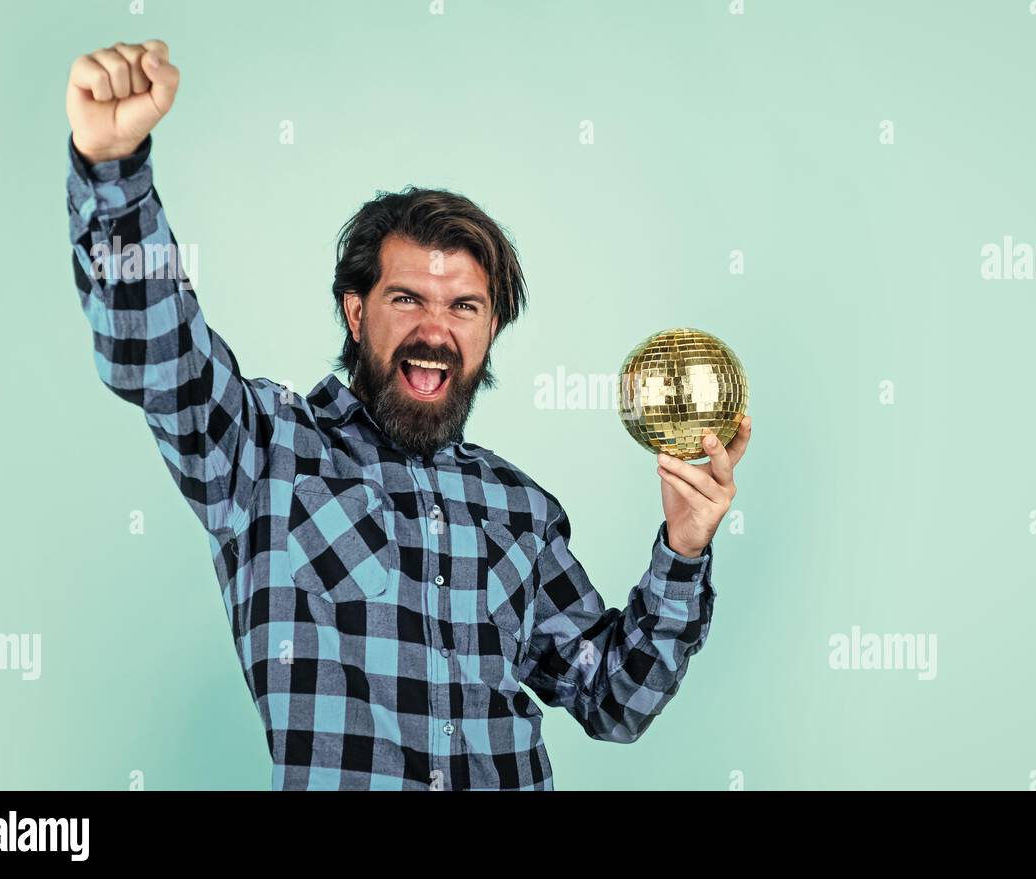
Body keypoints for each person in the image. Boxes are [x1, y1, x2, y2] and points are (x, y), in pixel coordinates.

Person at [65, 39, 752, 790]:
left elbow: (614, 698)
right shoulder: (265, 453)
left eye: (465, 306)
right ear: (355, 313)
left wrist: (683, 552)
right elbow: (159, 355)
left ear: (491, 331)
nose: (437, 329)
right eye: (407, 299)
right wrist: (116, 172)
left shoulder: (520, 509)